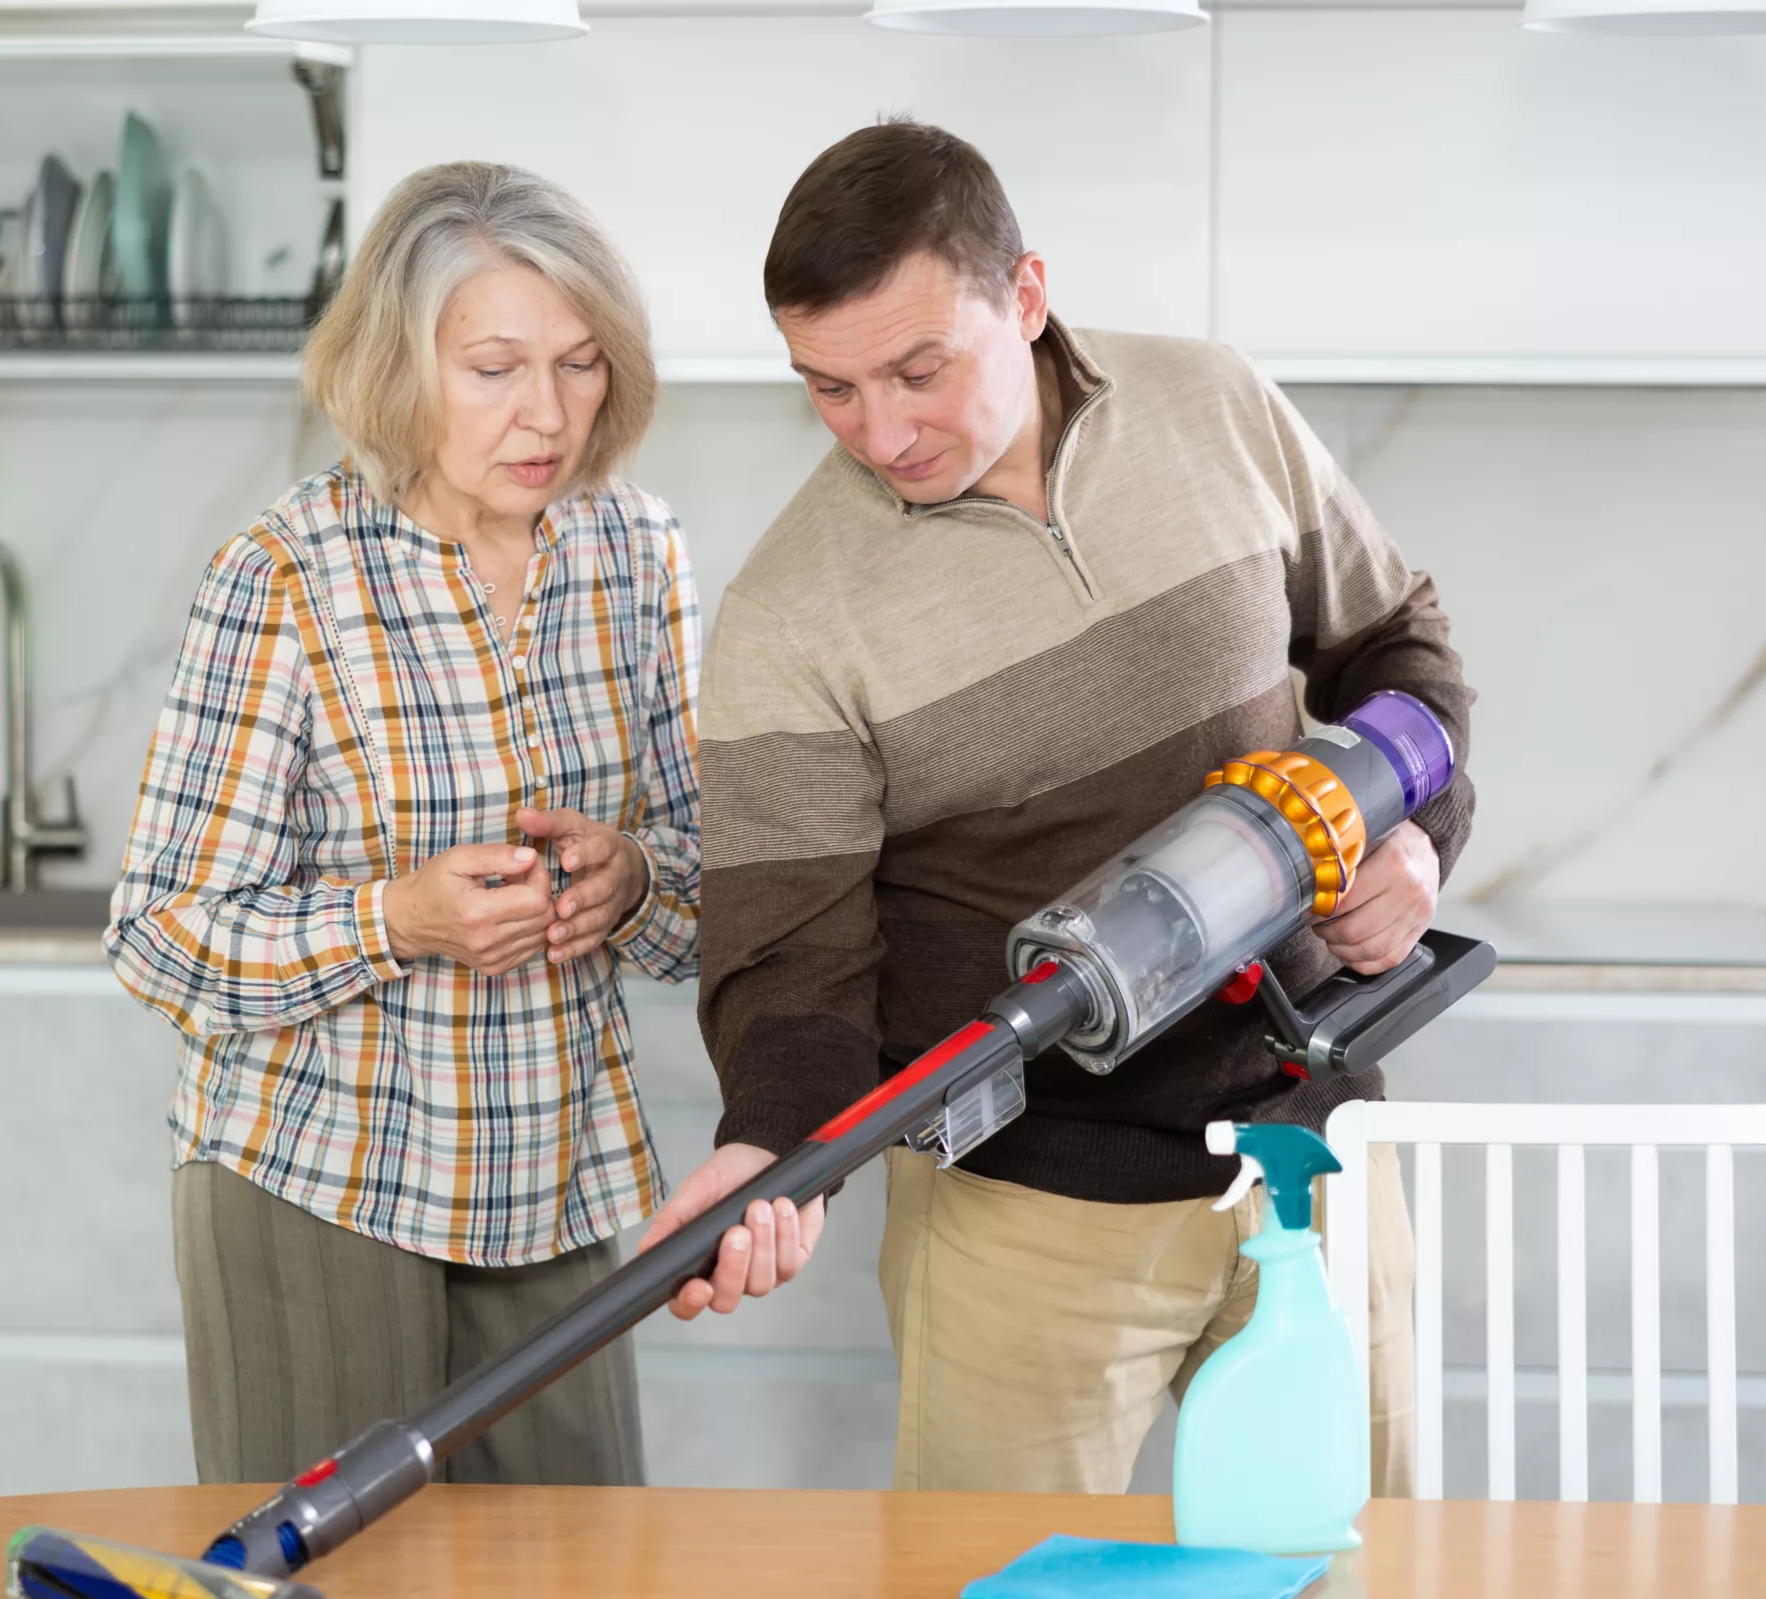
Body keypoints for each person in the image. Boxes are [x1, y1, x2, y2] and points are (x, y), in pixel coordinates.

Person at [644, 122, 1475, 1497]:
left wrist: (1413, 845)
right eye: (830, 389)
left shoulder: (1213, 404)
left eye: (919, 370)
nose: (883, 432)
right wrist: (771, 1143)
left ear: (1025, 296)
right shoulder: (791, 609)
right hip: (1023, 1209)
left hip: (1309, 1161)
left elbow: (1403, 649)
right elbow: (793, 957)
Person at [106, 162, 703, 1488]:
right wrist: (396, 918)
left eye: (581, 362)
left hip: (555, 1171)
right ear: (399, 367)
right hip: (317, 1177)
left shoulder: (635, 554)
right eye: (495, 367)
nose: (546, 413)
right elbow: (157, 936)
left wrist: (640, 876)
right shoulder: (289, 573)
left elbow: (710, 887)